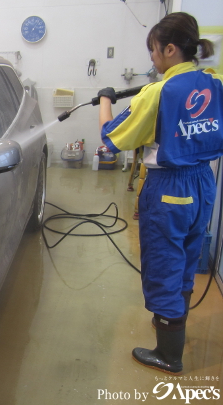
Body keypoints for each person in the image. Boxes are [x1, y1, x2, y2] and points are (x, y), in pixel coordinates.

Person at [97, 12, 223, 375]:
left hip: (169, 189)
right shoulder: (214, 83)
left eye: (153, 50)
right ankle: (171, 320)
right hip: (203, 184)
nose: (151, 57)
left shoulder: (158, 92)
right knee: (185, 259)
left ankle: (169, 356)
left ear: (170, 49)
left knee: (164, 266)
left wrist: (106, 98)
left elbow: (111, 138)